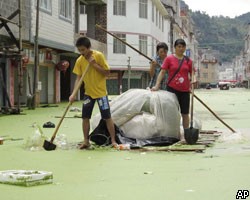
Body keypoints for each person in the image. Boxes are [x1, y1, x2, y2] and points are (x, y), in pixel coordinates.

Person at [69, 37, 117, 149]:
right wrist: (73, 94)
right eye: (79, 50)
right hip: (88, 94)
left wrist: (94, 64)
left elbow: (107, 73)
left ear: (88, 48)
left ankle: (113, 140)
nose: (81, 53)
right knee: (85, 117)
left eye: (83, 50)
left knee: (107, 117)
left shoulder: (98, 56)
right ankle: (86, 141)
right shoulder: (79, 61)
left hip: (101, 94)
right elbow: (78, 78)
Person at [151, 39, 193, 131]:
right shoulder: (169, 59)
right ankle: (173, 132)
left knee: (185, 113)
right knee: (173, 112)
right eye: (179, 46)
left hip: (185, 91)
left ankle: (185, 133)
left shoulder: (188, 60)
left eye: (183, 47)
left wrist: (193, 82)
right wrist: (157, 85)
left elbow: (192, 73)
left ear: (185, 48)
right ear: (175, 48)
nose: (181, 49)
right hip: (172, 90)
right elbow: (162, 72)